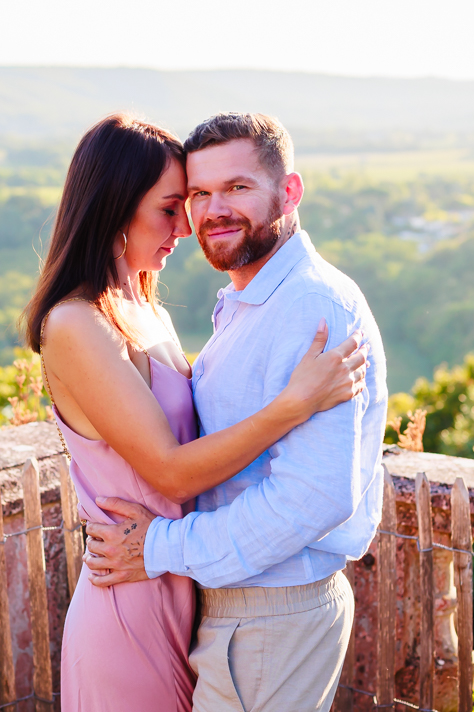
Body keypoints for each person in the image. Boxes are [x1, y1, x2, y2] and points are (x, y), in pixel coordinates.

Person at [25, 112, 370, 712]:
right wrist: (293, 405)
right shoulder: (77, 322)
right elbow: (171, 471)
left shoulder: (147, 310)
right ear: (116, 207)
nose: (187, 226)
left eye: (223, 192)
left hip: (184, 587)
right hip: (131, 598)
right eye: (174, 206)